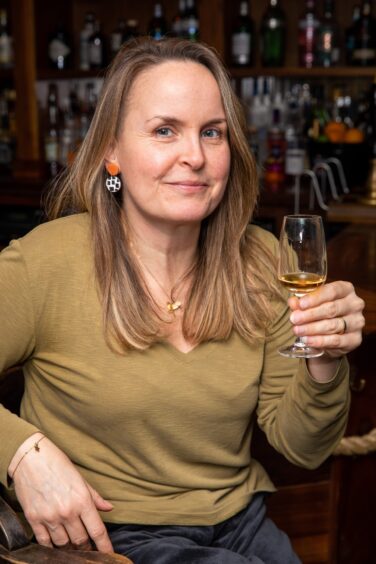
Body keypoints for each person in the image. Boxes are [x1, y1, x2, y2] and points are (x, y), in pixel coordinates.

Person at [0, 37, 365, 564]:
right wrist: (23, 453)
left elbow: (303, 448)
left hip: (242, 524)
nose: (193, 156)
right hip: (107, 536)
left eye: (211, 133)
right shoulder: (46, 262)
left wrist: (324, 359)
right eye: (164, 130)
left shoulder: (266, 261)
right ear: (112, 151)